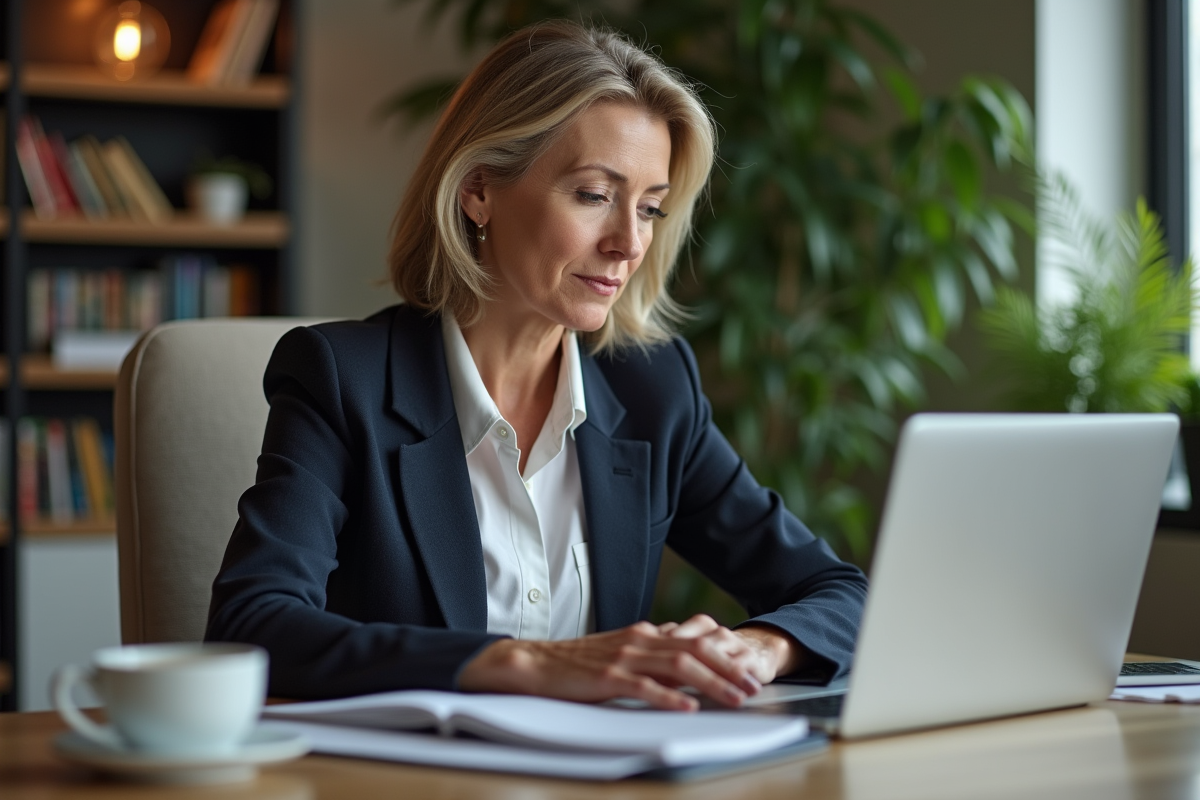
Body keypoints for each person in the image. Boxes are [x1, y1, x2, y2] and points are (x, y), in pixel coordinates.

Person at [206, 20, 867, 711]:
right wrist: (523, 663)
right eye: (592, 195)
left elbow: (838, 592)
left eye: (650, 208)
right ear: (479, 190)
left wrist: (756, 648)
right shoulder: (343, 380)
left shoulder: (653, 389)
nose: (628, 243)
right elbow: (251, 629)